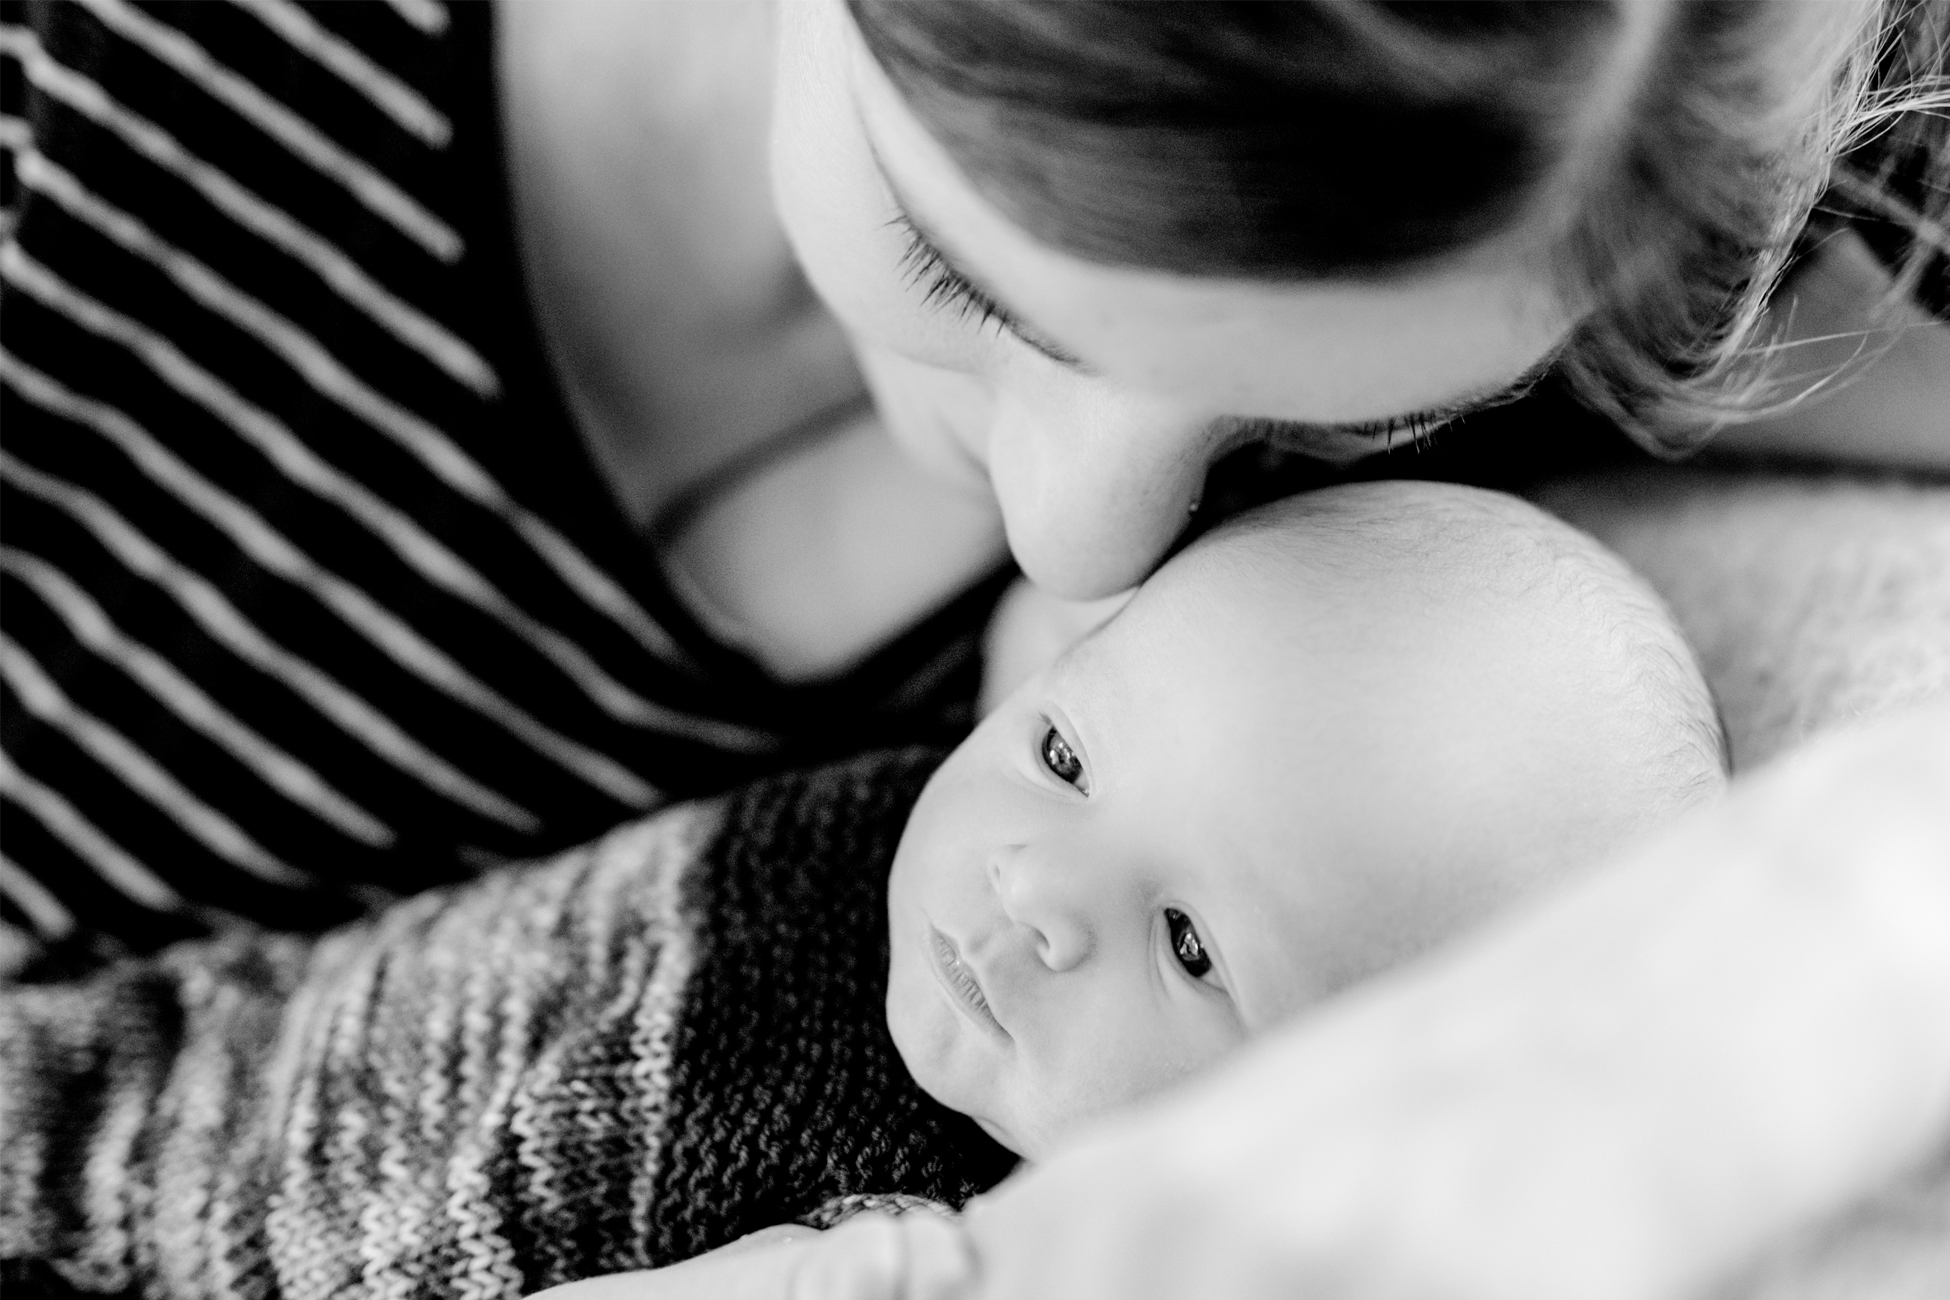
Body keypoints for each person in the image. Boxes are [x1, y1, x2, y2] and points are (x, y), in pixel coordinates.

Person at [2, 0, 1944, 1293]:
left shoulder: (1590, 138)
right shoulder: (95, 118)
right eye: (963, 270)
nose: (1079, 533)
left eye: (1322, 421)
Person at [0, 482, 1729, 1298]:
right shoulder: (964, 762)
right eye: (1064, 759)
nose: (1039, 887)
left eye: (1194, 947)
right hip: (144, 1047)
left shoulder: (938, 1243)